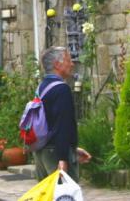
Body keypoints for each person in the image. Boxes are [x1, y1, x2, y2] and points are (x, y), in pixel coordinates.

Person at [33, 47, 91, 181]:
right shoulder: (62, 89)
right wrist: (63, 158)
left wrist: (73, 149)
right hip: (55, 154)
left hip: (42, 152)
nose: (72, 64)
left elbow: (49, 123)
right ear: (57, 64)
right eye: (68, 60)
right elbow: (62, 126)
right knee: (66, 195)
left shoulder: (41, 87)